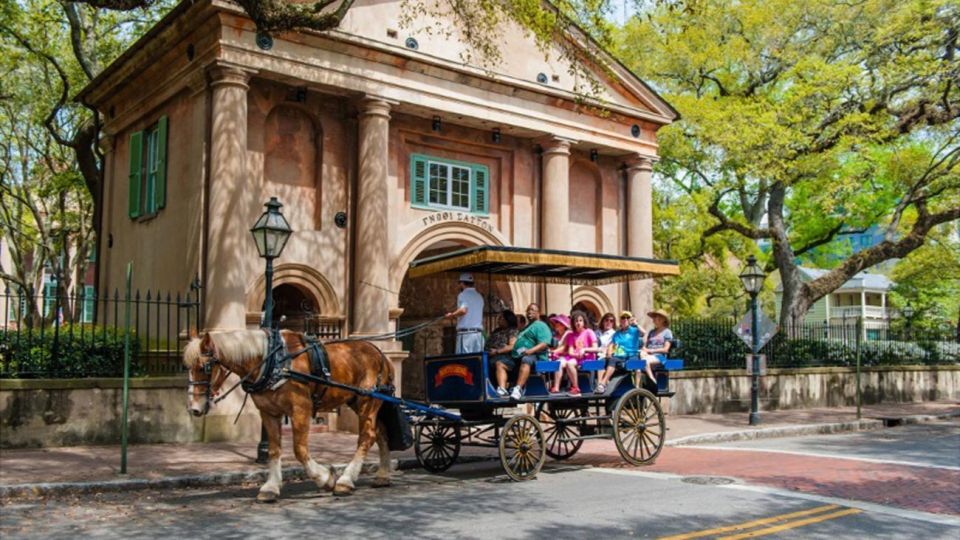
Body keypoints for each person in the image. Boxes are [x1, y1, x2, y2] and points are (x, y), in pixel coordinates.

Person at [494, 303, 552, 400]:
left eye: (533, 310)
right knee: (500, 363)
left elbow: (544, 343)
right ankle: (502, 389)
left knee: (526, 359)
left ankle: (518, 389)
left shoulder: (541, 325)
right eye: (528, 310)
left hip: (536, 356)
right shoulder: (526, 327)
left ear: (538, 313)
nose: (530, 311)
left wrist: (531, 351)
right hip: (518, 357)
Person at [595, 310, 644, 394]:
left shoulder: (634, 330)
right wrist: (609, 352)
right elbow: (612, 344)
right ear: (620, 320)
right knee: (612, 360)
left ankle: (637, 388)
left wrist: (636, 324)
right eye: (623, 318)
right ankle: (602, 384)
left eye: (627, 318)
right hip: (620, 356)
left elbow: (643, 333)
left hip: (632, 354)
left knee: (637, 367)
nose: (625, 319)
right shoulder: (617, 333)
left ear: (630, 320)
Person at [550, 311, 596, 396]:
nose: (578, 323)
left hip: (586, 357)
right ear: (573, 323)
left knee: (570, 364)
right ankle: (556, 387)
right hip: (574, 357)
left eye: (580, 320)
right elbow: (570, 351)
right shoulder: (571, 335)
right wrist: (576, 354)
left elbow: (595, 348)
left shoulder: (589, 332)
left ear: (584, 322)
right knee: (559, 363)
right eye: (576, 321)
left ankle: (576, 387)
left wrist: (584, 350)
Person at [444, 273, 484, 354]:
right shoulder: (479, 296)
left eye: (459, 283)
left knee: (464, 362)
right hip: (478, 335)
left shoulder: (463, 295)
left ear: (462, 283)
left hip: (466, 335)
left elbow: (463, 310)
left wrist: (452, 315)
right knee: (477, 361)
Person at [640, 309, 673, 383]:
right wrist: (643, 349)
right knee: (637, 359)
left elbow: (665, 349)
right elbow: (646, 345)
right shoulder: (652, 332)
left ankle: (652, 380)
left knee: (644, 361)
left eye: (656, 318)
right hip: (648, 355)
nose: (653, 320)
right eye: (654, 318)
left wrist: (651, 351)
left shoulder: (667, 332)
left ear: (662, 320)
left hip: (660, 357)